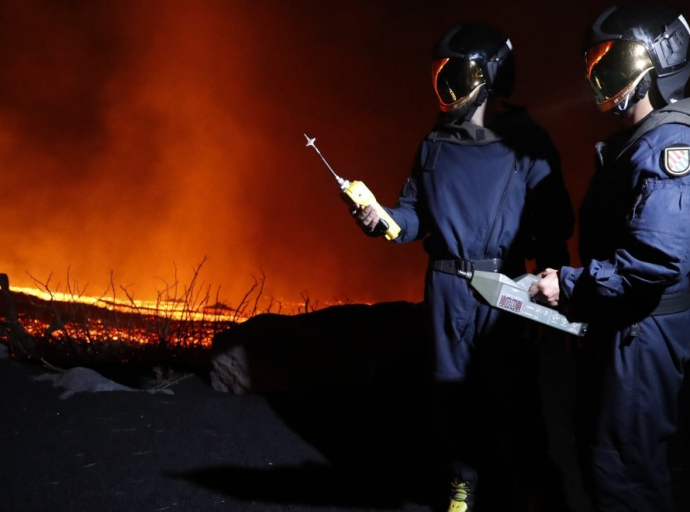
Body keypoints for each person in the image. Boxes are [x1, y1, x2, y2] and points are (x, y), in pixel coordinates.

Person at [353, 23, 574, 512]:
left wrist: (556, 301)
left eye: (456, 73)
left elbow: (553, 227)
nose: (446, 86)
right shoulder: (434, 145)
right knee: (448, 391)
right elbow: (414, 214)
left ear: (489, 75)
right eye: (441, 75)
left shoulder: (527, 144)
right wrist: (385, 220)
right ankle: (462, 484)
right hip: (447, 284)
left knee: (506, 392)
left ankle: (511, 487)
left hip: (506, 285)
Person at [529, 4, 690, 511]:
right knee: (608, 460)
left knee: (625, 474)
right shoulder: (642, 140)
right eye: (596, 63)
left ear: (656, 61)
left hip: (641, 336)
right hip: (626, 329)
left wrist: (571, 286)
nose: (599, 75)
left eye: (612, 61)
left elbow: (658, 258)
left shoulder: (670, 143)